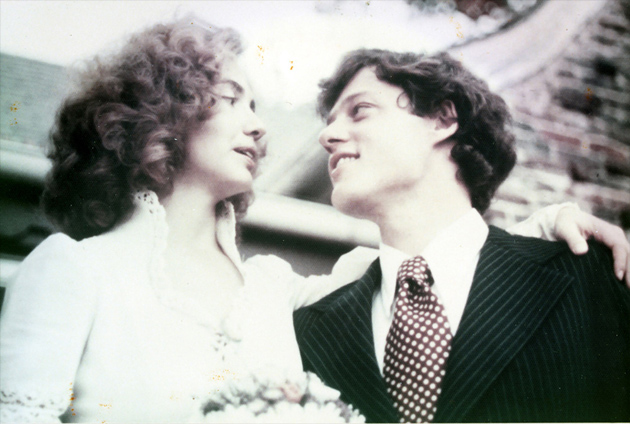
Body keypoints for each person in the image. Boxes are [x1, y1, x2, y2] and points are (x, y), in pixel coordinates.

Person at [0, 20, 627, 423]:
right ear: (162, 115)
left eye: (258, 104)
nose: (262, 125)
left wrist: (544, 227)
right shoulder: (74, 269)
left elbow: (439, 260)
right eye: (231, 100)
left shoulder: (279, 293)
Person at [294, 49, 630, 423]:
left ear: (442, 118)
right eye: (330, 121)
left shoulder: (588, 280)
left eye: (359, 110)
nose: (327, 135)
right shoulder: (308, 330)